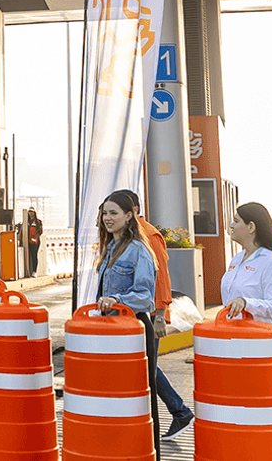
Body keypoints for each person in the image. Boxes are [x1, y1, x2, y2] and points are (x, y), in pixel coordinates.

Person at [93, 190, 168, 455]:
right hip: (111, 330)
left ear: (129, 215)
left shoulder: (139, 250)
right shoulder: (110, 247)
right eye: (104, 213)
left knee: (142, 396)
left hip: (134, 328)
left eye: (113, 213)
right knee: (116, 397)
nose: (107, 218)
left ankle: (150, 451)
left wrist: (116, 299)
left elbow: (144, 295)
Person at [119, 189, 194, 441]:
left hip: (148, 315)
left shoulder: (150, 236)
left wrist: (161, 314)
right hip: (128, 316)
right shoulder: (124, 237)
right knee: (143, 367)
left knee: (146, 368)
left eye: (116, 212)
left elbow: (161, 278)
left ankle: (179, 412)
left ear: (134, 211)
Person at [222, 202, 272, 364]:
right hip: (239, 341)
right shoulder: (237, 259)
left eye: (236, 221)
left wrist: (246, 303)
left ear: (251, 227)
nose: (231, 225)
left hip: (265, 344)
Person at [27, 208, 43, 276]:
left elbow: (40, 231)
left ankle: (34, 271)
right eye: (29, 212)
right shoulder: (26, 221)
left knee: (34, 255)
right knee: (29, 256)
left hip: (35, 242)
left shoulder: (38, 221)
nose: (31, 213)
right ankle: (29, 271)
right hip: (27, 241)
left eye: (32, 212)